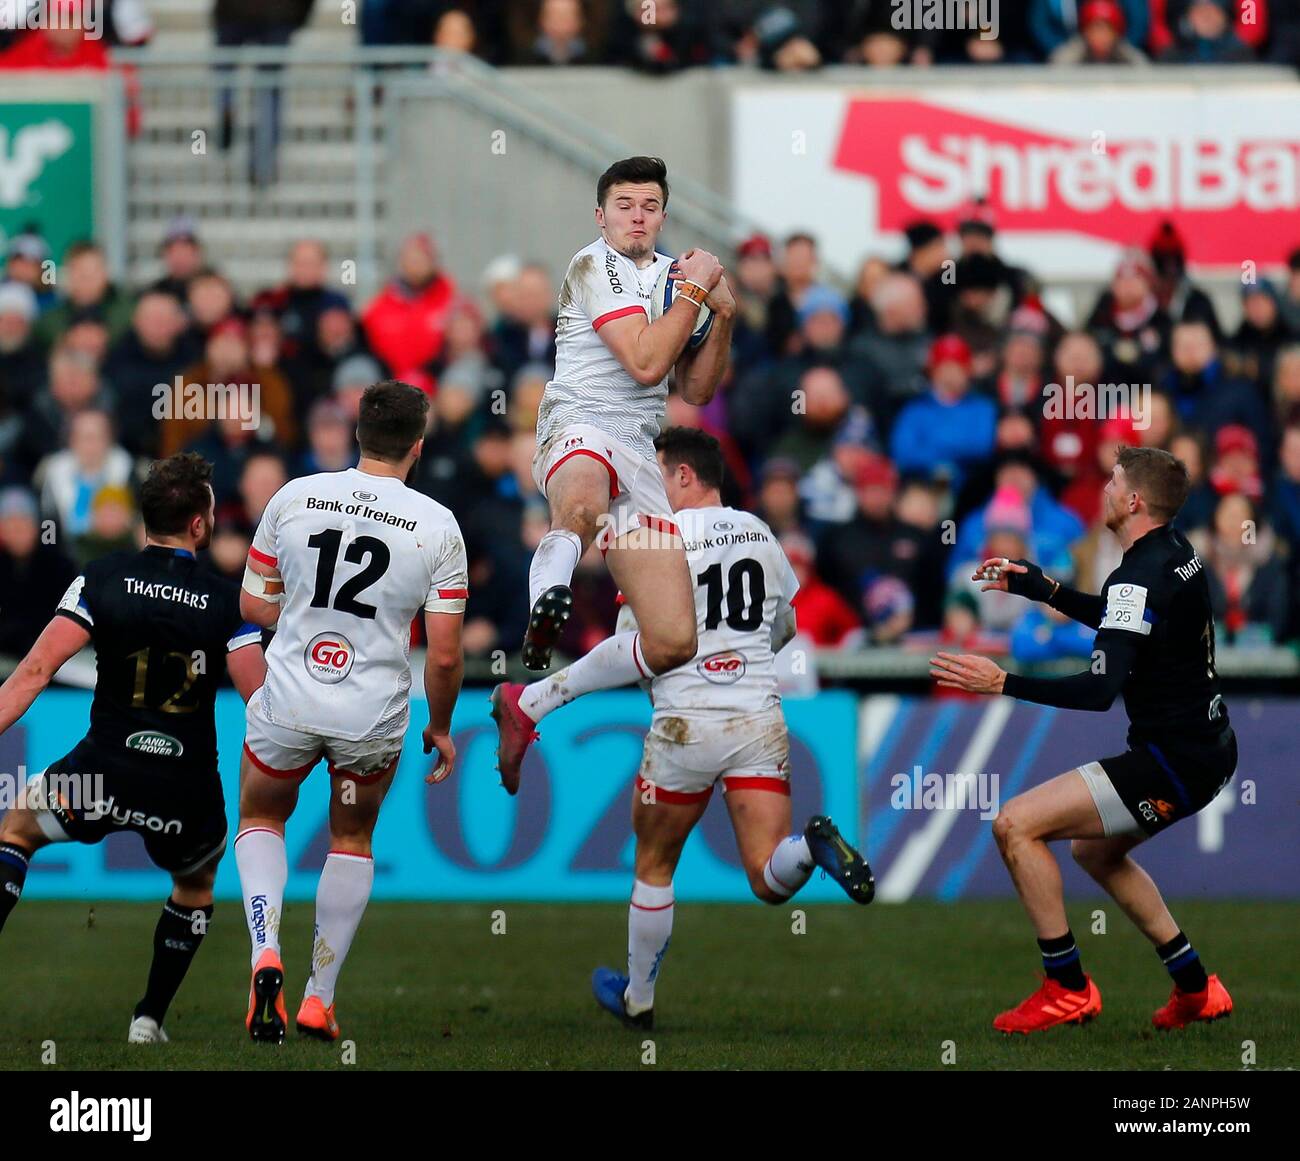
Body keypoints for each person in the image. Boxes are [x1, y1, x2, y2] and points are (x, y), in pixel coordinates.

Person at [499, 428, 873, 1028]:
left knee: (653, 864)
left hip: (685, 721)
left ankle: (639, 999)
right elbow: (785, 629)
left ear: (682, 477)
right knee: (767, 875)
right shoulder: (762, 534)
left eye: (656, 477)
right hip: (758, 716)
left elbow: (635, 647)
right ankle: (813, 846)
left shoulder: (658, 540)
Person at [931, 446, 1237, 1034]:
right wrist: (1046, 590)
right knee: (1094, 851)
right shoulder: (1176, 555)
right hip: (1205, 749)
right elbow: (1125, 617)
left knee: (1015, 825)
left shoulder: (1137, 574)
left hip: (1173, 761)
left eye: (1114, 480)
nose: (1104, 488)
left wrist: (1004, 682)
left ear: (1132, 501)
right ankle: (1197, 988)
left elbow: (1100, 690)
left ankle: (1067, 988)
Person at [0, 454, 266, 1043]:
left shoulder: (100, 578)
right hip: (184, 786)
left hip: (101, 773)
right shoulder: (228, 601)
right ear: (200, 524)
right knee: (195, 885)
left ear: (146, 518)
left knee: (17, 828)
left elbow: (36, 671)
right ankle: (147, 1020)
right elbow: (261, 703)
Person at [492, 157, 736, 790]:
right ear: (601, 216)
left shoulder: (674, 278)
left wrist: (724, 316)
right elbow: (646, 364)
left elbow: (697, 389)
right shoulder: (594, 263)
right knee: (580, 507)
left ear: (662, 215)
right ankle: (544, 596)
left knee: (672, 639)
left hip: (640, 449)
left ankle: (531, 701)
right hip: (578, 421)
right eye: (624, 204)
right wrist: (694, 295)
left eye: (649, 205)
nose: (637, 215)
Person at [237, 380, 467, 1044]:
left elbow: (254, 608)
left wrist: (307, 616)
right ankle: (318, 997)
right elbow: (446, 656)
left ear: (357, 436)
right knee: (351, 837)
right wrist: (443, 726)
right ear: (418, 446)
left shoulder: (294, 496)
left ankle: (263, 950)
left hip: (288, 698)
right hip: (369, 715)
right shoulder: (437, 525)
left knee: (261, 815)